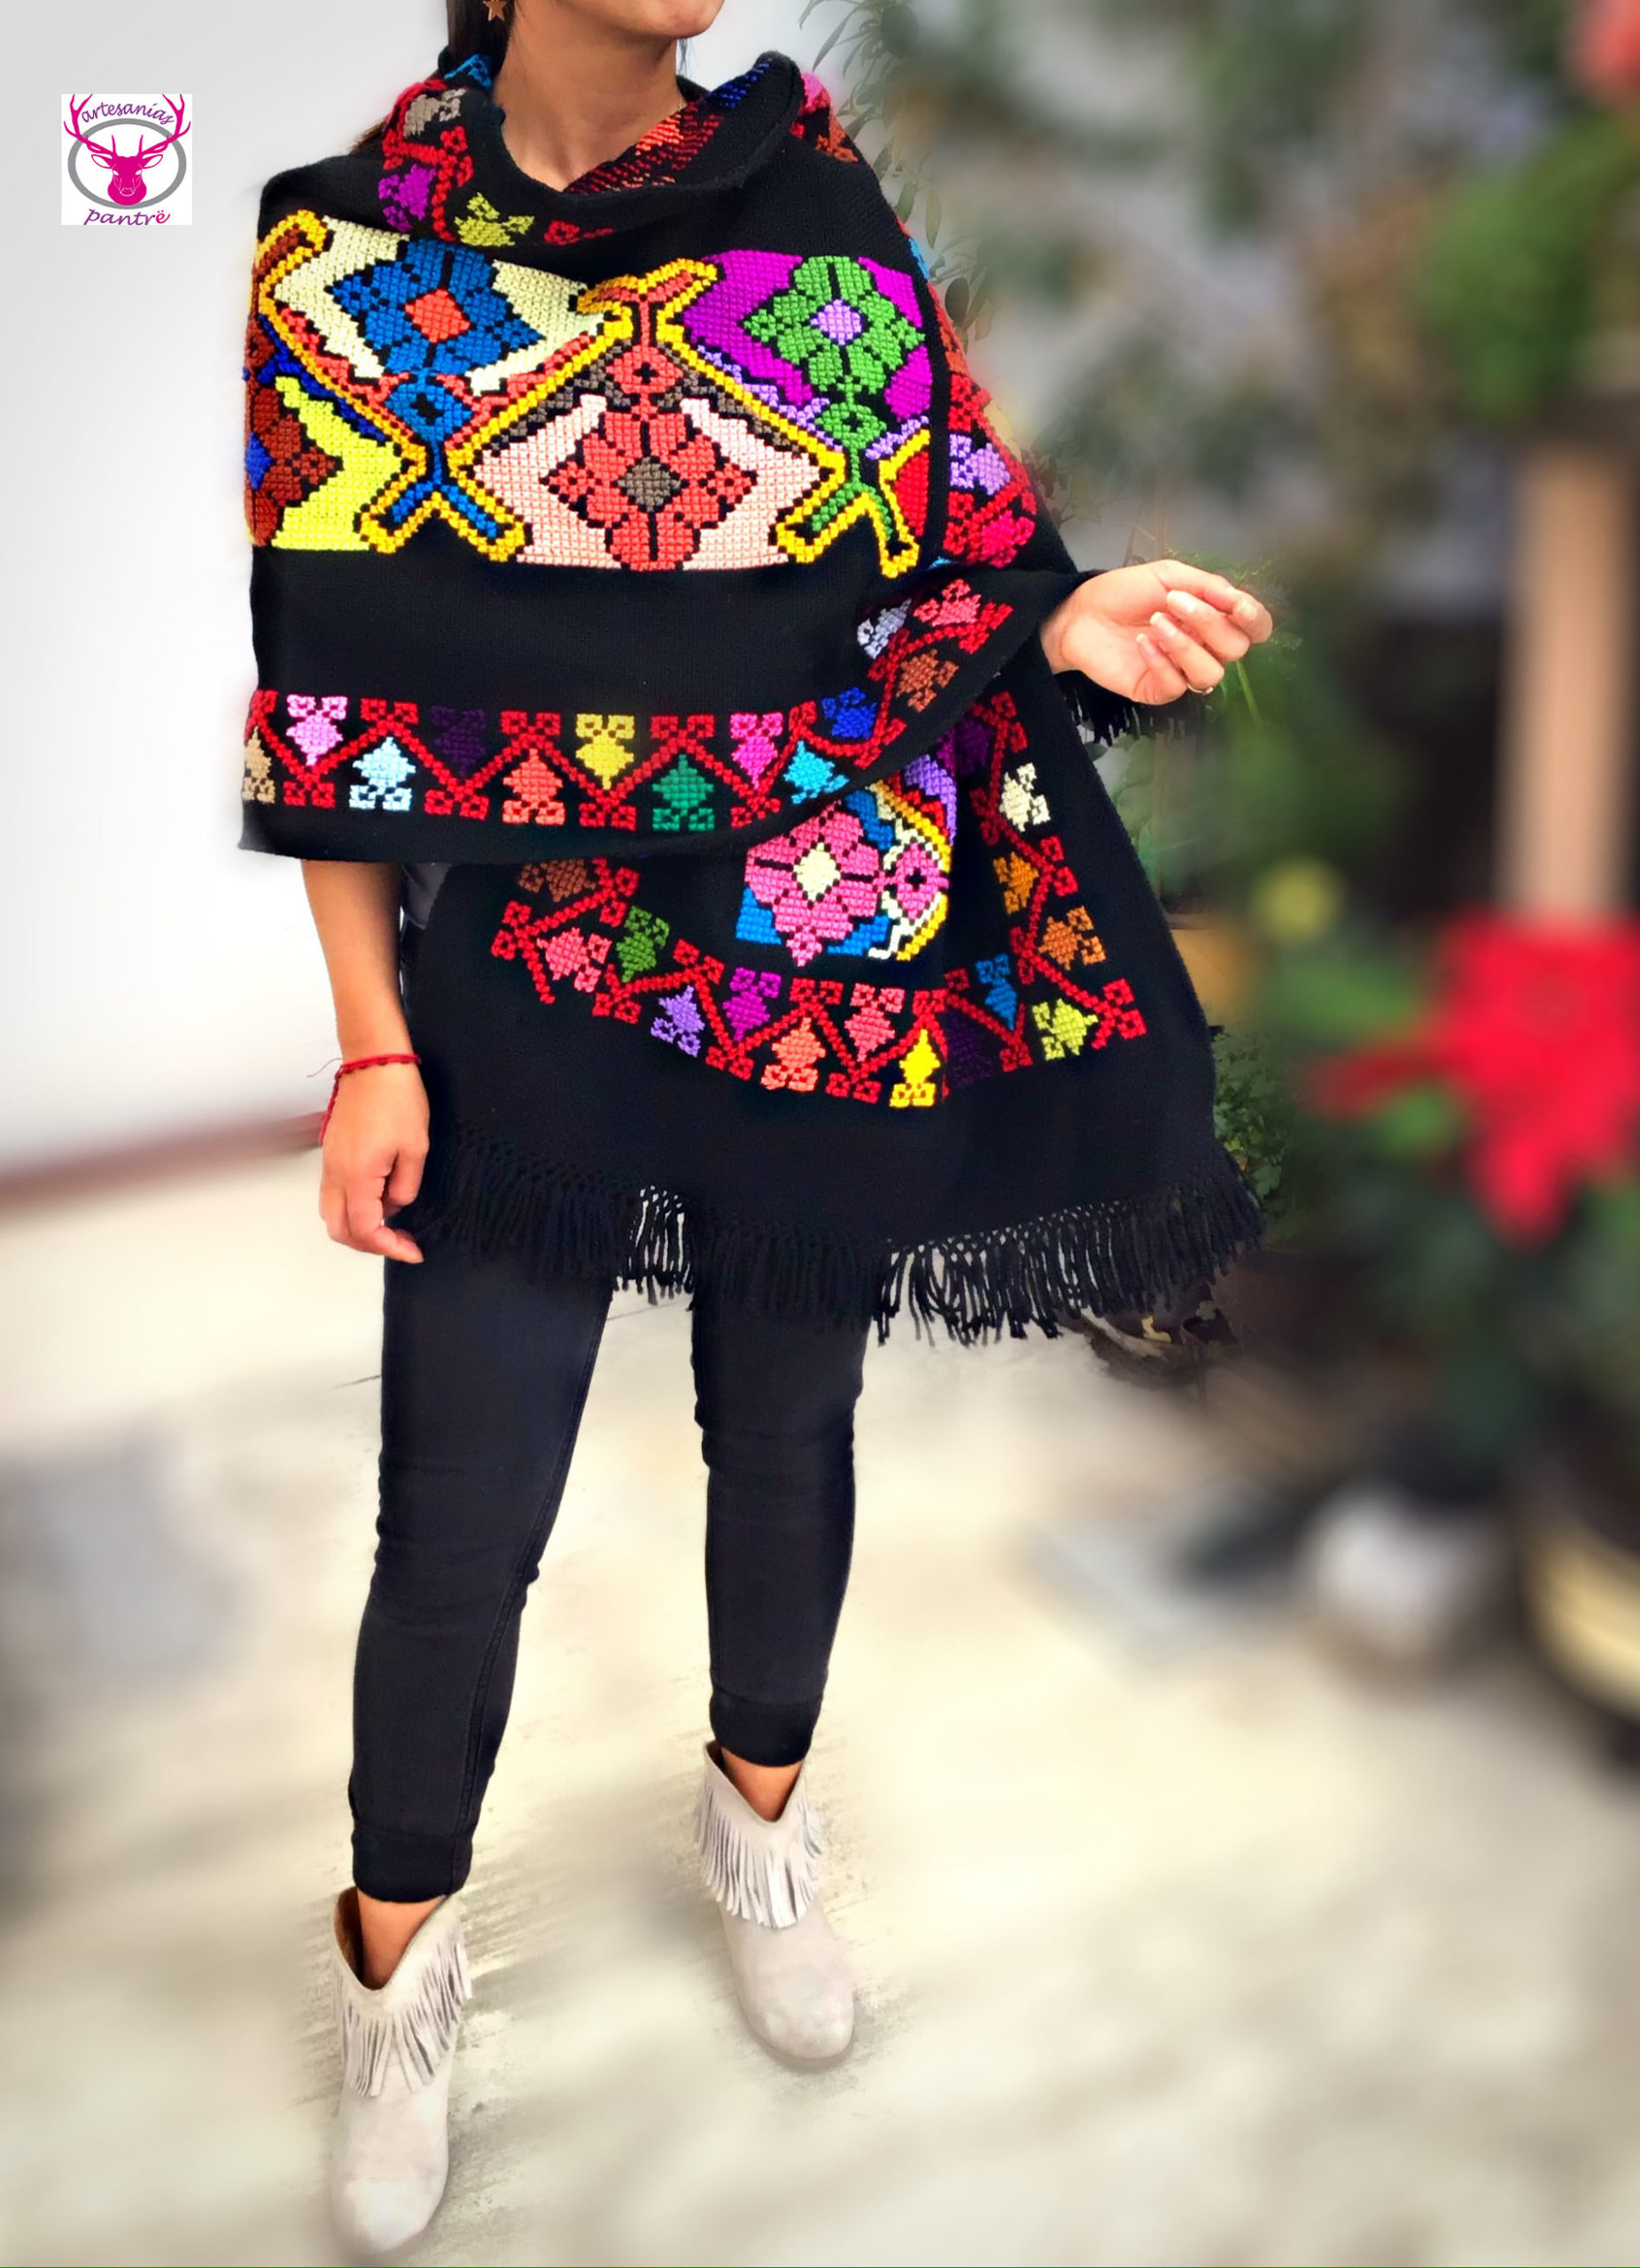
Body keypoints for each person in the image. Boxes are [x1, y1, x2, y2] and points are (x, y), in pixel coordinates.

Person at [241, 0, 1271, 2248]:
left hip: (821, 951)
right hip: (528, 972)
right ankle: (396, 1970)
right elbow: (331, 698)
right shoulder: (349, 257)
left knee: (785, 1430)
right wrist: (370, 1043)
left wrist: (1065, 619)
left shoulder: (819, 221)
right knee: (457, 1515)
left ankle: (760, 1831)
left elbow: (954, 558)